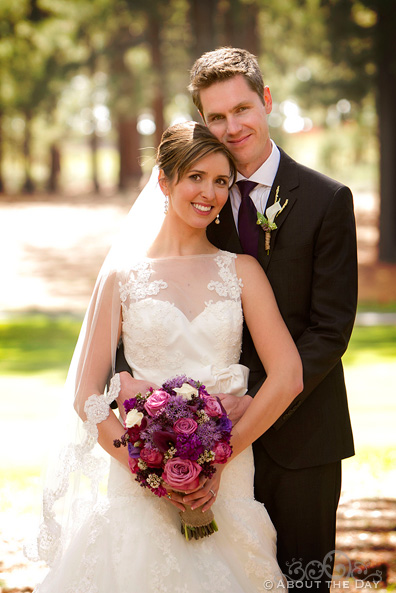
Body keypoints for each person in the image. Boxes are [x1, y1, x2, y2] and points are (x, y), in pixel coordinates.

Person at [28, 121, 303, 593]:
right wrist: (152, 471)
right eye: (195, 177)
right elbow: (88, 396)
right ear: (165, 180)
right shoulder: (122, 277)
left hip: (228, 481)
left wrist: (213, 462)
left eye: (221, 181)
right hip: (138, 488)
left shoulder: (242, 271)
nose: (209, 193)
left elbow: (288, 377)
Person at [188, 47, 357, 590]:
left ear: (266, 100)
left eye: (241, 108)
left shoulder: (327, 200)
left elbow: (330, 331)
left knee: (303, 583)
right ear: (203, 122)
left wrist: (254, 395)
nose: (232, 127)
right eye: (216, 117)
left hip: (304, 437)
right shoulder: (198, 204)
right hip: (207, 437)